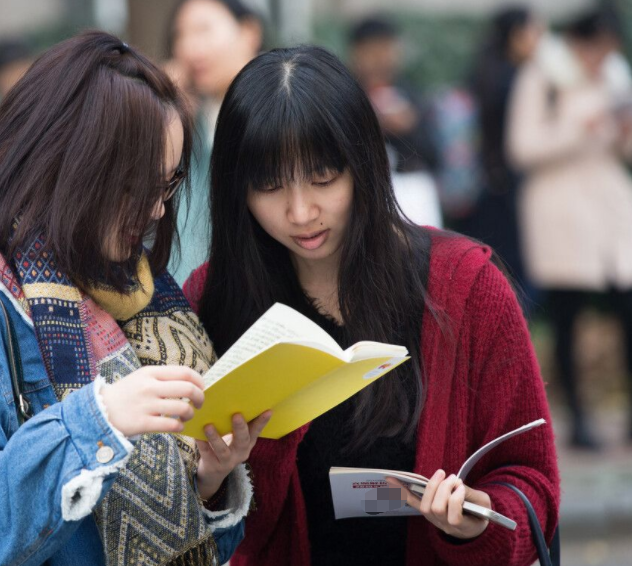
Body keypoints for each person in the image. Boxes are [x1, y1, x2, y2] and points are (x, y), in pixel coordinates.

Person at [0, 32, 269, 566]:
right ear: (68, 169)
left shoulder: (136, 292)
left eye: (168, 185)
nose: (158, 211)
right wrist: (93, 421)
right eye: (139, 188)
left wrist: (207, 479)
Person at [183, 46, 559, 566]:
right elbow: (178, 504)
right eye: (269, 185)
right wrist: (210, 480)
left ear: (363, 163)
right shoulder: (211, 299)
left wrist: (477, 516)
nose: (300, 212)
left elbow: (531, 478)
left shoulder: (466, 287)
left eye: (323, 178)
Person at [507, 3, 632, 449]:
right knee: (566, 315)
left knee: (626, 308)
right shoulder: (542, 75)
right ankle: (577, 419)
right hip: (559, 210)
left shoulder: (617, 74)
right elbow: (520, 147)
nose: (602, 58)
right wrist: (580, 127)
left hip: (610, 207)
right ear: (580, 42)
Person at [166, 0, 264, 284]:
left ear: (249, 32)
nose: (189, 48)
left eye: (203, 30)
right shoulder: (190, 120)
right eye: (180, 35)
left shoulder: (276, 113)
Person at [464, 7, 543, 309]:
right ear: (515, 36)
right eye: (534, 32)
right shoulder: (519, 80)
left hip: (482, 187)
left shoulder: (481, 72)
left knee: (490, 268)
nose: (538, 41)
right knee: (519, 274)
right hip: (508, 189)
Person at [349, 17, 442, 228]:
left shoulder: (410, 93)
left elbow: (434, 153)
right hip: (363, 196)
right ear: (356, 52)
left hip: (411, 194)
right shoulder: (346, 94)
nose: (380, 59)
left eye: (386, 49)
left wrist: (411, 126)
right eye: (372, 51)